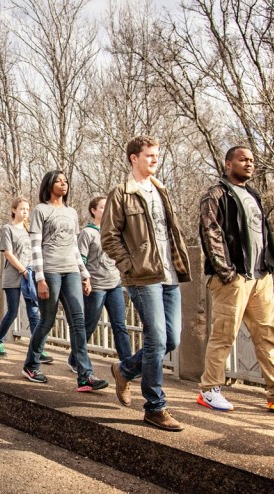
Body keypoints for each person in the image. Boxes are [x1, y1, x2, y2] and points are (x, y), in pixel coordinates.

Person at [197, 146, 274, 411]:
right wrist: (227, 272)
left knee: (268, 334)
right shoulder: (216, 195)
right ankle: (209, 389)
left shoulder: (252, 194)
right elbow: (210, 233)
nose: (249, 164)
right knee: (224, 335)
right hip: (233, 277)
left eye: (251, 160)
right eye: (243, 160)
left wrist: (268, 266)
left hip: (260, 277)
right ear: (228, 164)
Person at [101, 135, 192, 431]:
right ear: (134, 158)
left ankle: (124, 369)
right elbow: (109, 237)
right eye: (150, 155)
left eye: (157, 155)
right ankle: (155, 407)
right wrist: (130, 266)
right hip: (142, 277)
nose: (155, 159)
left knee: (172, 339)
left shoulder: (160, 190)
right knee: (156, 338)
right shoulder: (122, 193)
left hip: (169, 274)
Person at [21, 171, 107, 392]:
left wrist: (85, 273)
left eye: (65, 180)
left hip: (71, 271)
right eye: (59, 181)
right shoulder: (41, 210)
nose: (64, 184)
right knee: (47, 321)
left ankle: (85, 375)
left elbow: (75, 248)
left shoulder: (71, 212)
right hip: (50, 271)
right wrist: (39, 278)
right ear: (49, 185)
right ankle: (31, 364)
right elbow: (35, 247)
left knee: (78, 322)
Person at [69, 196, 131, 374]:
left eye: (108, 207)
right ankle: (75, 359)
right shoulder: (87, 233)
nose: (106, 209)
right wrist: (84, 279)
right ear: (93, 211)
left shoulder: (115, 232)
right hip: (96, 286)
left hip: (115, 284)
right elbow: (80, 258)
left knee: (120, 325)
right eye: (103, 207)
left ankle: (127, 365)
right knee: (89, 324)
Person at [0, 197, 42, 360]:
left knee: (33, 312)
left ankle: (37, 348)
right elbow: (8, 253)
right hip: (14, 276)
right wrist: (23, 271)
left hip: (30, 276)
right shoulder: (8, 228)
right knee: (12, 312)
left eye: (27, 209)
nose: (25, 212)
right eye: (22, 209)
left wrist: (34, 273)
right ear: (14, 210)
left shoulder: (30, 230)